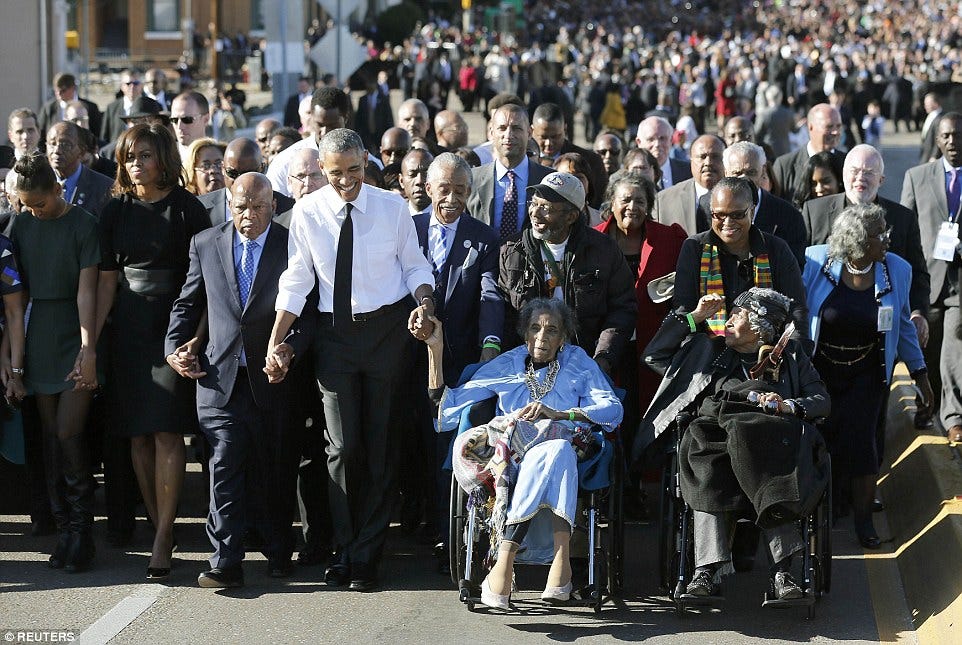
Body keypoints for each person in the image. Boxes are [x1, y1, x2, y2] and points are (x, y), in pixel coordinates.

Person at [267, 128, 436, 592]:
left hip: (387, 334)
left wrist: (424, 301)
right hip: (334, 338)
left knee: (381, 446)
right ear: (323, 170)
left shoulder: (392, 207)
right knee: (342, 448)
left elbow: (415, 265)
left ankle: (367, 556)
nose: (346, 182)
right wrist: (276, 338)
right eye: (336, 174)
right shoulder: (307, 212)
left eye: (355, 171)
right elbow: (297, 279)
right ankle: (345, 548)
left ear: (366, 162)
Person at [165, 172, 316, 588]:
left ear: (274, 206)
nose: (248, 215)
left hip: (275, 379)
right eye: (240, 207)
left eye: (258, 207)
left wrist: (290, 348)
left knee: (276, 468)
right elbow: (187, 303)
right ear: (229, 205)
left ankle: (278, 548)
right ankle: (224, 561)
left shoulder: (293, 246)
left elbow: (310, 313)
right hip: (219, 378)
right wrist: (174, 348)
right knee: (224, 464)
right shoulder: (206, 243)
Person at [639, 288, 830, 600]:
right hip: (713, 444)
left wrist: (787, 404)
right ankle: (705, 572)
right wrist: (693, 318)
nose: (726, 322)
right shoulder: (708, 351)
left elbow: (821, 400)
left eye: (736, 316)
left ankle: (783, 573)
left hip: (769, 447)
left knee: (770, 462)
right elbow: (654, 355)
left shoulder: (791, 357)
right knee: (703, 466)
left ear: (758, 326)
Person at [438, 298, 623, 609]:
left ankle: (506, 560)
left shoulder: (578, 362)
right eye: (535, 329)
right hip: (513, 451)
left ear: (563, 338)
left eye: (552, 330)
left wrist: (562, 415)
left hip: (567, 440)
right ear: (525, 335)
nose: (542, 337)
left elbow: (611, 408)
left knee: (558, 448)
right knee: (554, 453)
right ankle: (561, 568)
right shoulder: (509, 363)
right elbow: (456, 400)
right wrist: (434, 350)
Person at [97, 123, 211, 579]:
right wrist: (93, 341)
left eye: (144, 155)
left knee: (166, 432)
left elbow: (207, 284)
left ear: (163, 158)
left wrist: (196, 338)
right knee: (137, 435)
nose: (135, 165)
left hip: (175, 325)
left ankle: (164, 534)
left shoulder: (189, 210)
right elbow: (106, 281)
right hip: (127, 329)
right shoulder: (114, 211)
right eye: (128, 157)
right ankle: (155, 517)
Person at [802, 204, 933, 547]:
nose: (887, 238)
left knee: (863, 447)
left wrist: (920, 375)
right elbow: (798, 313)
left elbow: (903, 326)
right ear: (857, 242)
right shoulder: (817, 262)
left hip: (867, 373)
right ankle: (817, 514)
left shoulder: (897, 269)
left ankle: (863, 524)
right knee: (820, 443)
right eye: (879, 234)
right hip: (821, 371)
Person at [12, 154, 99, 572]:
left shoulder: (84, 223)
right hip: (36, 337)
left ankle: (82, 532)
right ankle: (64, 531)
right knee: (50, 437)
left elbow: (89, 291)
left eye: (38, 203)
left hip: (72, 332)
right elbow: (14, 296)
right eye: (26, 204)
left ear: (56, 188)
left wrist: (88, 347)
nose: (33, 210)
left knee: (68, 431)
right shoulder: (21, 224)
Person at [498, 171, 637, 371]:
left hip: (584, 362)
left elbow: (623, 309)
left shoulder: (604, 251)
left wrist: (603, 359)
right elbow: (504, 312)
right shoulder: (512, 251)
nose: (535, 213)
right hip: (525, 363)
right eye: (534, 203)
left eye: (545, 208)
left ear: (571, 216)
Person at [803, 145, 930, 340]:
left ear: (881, 180)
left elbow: (918, 272)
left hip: (880, 330)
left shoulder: (903, 218)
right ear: (844, 175)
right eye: (854, 171)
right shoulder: (815, 212)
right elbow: (801, 269)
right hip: (826, 327)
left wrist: (918, 313)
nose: (860, 177)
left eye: (869, 172)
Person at [672, 177, 809, 338]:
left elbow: (795, 311)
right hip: (708, 354)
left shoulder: (776, 249)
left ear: (751, 211)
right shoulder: (695, 249)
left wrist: (791, 356)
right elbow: (683, 313)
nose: (728, 222)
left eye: (737, 215)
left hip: (764, 353)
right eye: (720, 215)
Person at [595, 172, 686, 412]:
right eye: (625, 200)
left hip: (654, 346)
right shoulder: (594, 240)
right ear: (612, 203)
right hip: (604, 344)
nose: (632, 207)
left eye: (640, 201)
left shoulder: (669, 239)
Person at [901, 112, 962, 442]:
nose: (953, 142)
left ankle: (953, 414)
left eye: (959, 135)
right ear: (937, 140)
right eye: (947, 136)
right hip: (927, 279)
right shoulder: (917, 176)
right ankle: (929, 405)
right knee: (929, 348)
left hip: (960, 284)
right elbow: (904, 231)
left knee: (955, 344)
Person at [466, 104, 552, 241]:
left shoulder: (548, 180)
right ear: (492, 132)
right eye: (502, 128)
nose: (509, 135)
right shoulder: (472, 179)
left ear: (529, 133)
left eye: (516, 128)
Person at [723, 141, 808, 267]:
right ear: (726, 173)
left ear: (763, 171)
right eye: (737, 173)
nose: (745, 179)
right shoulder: (710, 210)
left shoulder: (788, 215)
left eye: (751, 172)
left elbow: (794, 269)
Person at [267, 87, 352, 197]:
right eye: (320, 125)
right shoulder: (284, 162)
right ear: (312, 117)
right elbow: (274, 208)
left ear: (345, 119)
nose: (325, 132)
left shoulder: (361, 163)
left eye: (332, 126)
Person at [200, 138, 294, 228]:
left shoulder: (289, 209)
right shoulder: (200, 207)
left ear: (262, 168)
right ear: (223, 168)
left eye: (249, 174)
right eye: (232, 173)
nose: (240, 180)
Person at [531, 103, 608, 208]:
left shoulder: (591, 161)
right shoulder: (523, 160)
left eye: (555, 136)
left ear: (565, 129)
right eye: (543, 137)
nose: (549, 143)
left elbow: (599, 203)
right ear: (532, 131)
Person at [771, 104, 845, 200]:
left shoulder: (847, 163)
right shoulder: (784, 166)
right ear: (810, 127)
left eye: (838, 126)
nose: (835, 132)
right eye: (829, 127)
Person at [654, 134, 724, 234]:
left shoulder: (739, 197)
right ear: (690, 160)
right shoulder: (663, 201)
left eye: (715, 156)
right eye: (702, 157)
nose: (708, 162)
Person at [45, 122, 113, 218]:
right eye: (52, 144)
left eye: (65, 145)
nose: (57, 150)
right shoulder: (37, 182)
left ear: (82, 151)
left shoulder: (105, 188)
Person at [37, 73, 103, 138]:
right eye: (56, 91)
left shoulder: (90, 108)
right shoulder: (48, 108)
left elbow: (97, 134)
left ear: (73, 88)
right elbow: (41, 135)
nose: (58, 94)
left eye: (63, 90)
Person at [635, 116, 691, 189]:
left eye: (662, 138)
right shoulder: (630, 175)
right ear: (639, 142)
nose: (657, 144)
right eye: (651, 139)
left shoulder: (689, 172)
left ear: (671, 140)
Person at [553, 152, 601, 226]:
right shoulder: (546, 219)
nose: (574, 182)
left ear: (589, 184)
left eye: (579, 177)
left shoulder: (601, 221)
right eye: (567, 177)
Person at [101, 69, 144, 144]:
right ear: (122, 86)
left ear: (141, 85)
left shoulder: (151, 105)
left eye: (136, 83)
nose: (132, 86)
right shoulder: (112, 108)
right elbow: (104, 137)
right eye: (128, 83)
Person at [170, 92, 211, 164]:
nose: (180, 126)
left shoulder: (220, 156)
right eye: (174, 120)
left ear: (206, 119)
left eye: (187, 120)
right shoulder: (164, 157)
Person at [399, 149, 434, 216]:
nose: (419, 181)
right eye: (412, 174)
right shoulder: (394, 218)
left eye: (426, 174)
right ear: (401, 181)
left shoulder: (450, 219)